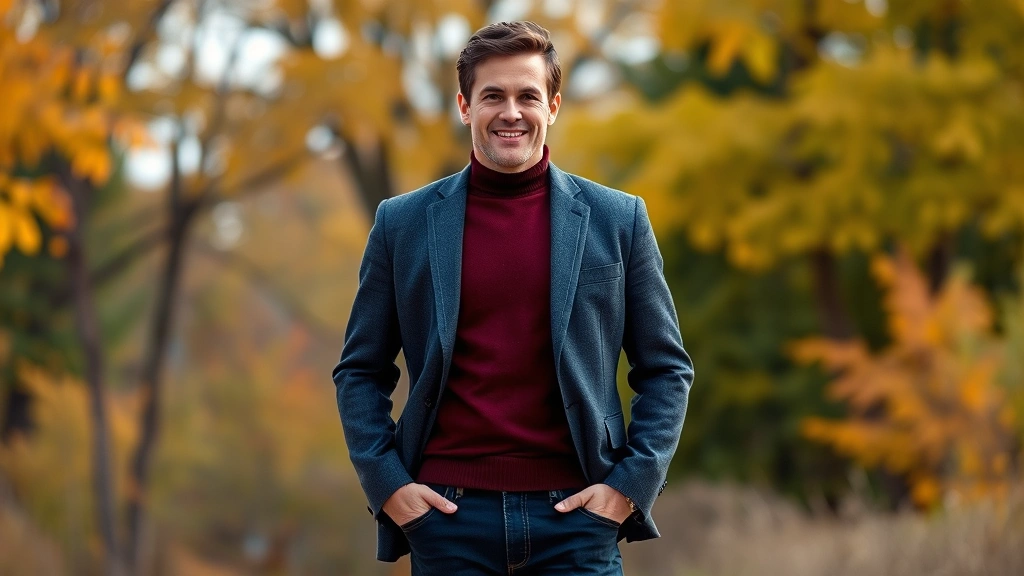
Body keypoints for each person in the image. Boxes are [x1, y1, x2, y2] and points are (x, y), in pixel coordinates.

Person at [333, 20, 694, 575]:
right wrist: (389, 487)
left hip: (578, 519)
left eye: (528, 96)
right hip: (447, 519)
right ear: (463, 106)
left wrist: (628, 486)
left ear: (552, 106)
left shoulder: (618, 221)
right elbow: (360, 370)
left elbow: (666, 369)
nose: (511, 113)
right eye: (492, 96)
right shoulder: (401, 224)